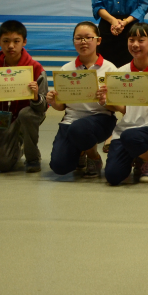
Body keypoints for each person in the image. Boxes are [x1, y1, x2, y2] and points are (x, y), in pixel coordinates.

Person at [0, 20, 48, 173]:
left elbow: (44, 106)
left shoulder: (36, 68)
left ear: (24, 42)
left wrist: (35, 97)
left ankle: (33, 157)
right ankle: (18, 146)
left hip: (30, 115)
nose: (11, 46)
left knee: (26, 114)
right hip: (5, 118)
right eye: (6, 41)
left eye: (16, 41)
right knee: (2, 164)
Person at [46, 21, 119, 178]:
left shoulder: (110, 69)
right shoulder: (66, 69)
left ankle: (93, 157)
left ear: (98, 40)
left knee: (79, 129)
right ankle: (81, 151)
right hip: (71, 121)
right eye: (78, 38)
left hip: (101, 120)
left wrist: (105, 101)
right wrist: (53, 101)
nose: (83, 42)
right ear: (73, 41)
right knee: (59, 166)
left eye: (88, 37)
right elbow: (61, 106)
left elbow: (116, 107)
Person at [103, 23, 148, 185]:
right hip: (125, 130)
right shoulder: (120, 72)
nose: (135, 45)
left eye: (141, 40)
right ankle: (137, 156)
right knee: (113, 176)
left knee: (131, 136)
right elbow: (124, 109)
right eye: (131, 40)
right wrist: (105, 100)